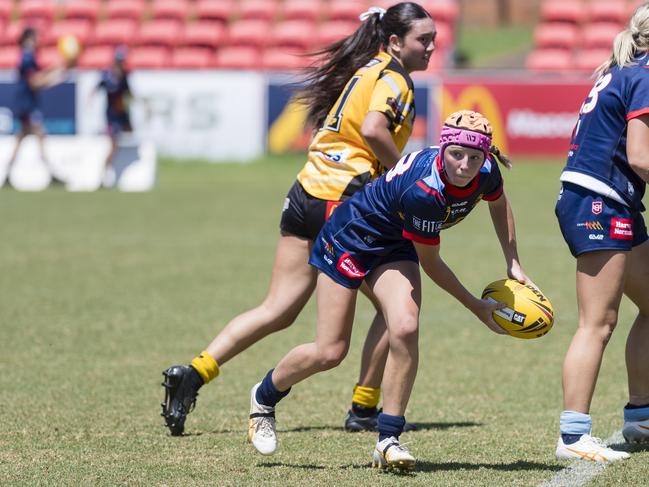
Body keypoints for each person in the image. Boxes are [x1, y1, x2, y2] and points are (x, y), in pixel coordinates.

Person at [161, 2, 436, 436]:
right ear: (396, 41)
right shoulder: (394, 80)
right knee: (397, 306)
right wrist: (403, 172)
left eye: (434, 38)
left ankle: (193, 373)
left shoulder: (366, 69)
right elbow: (372, 128)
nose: (432, 47)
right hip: (344, 201)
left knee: (278, 308)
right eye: (424, 39)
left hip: (306, 192)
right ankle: (364, 408)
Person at [247, 110, 530, 469]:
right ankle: (264, 397)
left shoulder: (486, 171)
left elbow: (500, 204)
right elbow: (431, 264)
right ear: (443, 148)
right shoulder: (425, 191)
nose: (465, 165)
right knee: (330, 351)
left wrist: (513, 261)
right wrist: (475, 305)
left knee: (406, 327)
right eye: (457, 155)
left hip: (394, 243)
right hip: (350, 237)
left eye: (474, 157)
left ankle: (388, 439)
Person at [554, 3, 649, 463]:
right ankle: (573, 436)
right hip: (599, 199)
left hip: (610, 199)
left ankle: (641, 416)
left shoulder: (624, 69)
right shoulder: (645, 74)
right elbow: (640, 156)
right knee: (598, 322)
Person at [6, 27, 69, 183]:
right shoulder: (27, 57)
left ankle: (7, 175)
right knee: (40, 134)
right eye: (35, 38)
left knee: (22, 137)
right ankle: (50, 173)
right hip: (27, 104)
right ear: (28, 39)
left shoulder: (29, 56)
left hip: (27, 102)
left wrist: (55, 70)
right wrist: (55, 76)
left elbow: (38, 76)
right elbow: (35, 82)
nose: (37, 42)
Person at [94, 46, 132, 188]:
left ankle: (114, 174)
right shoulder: (107, 75)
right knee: (113, 144)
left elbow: (128, 94)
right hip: (111, 117)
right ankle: (104, 174)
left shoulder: (124, 76)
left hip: (122, 114)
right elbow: (98, 87)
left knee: (128, 137)